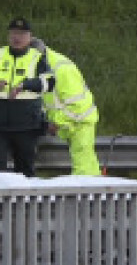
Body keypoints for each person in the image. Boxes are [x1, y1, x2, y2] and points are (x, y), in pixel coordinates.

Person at [14, 36, 100, 176]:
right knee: (86, 162)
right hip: (65, 120)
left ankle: (88, 193)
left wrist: (56, 123)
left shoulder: (62, 69)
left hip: (81, 120)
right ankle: (93, 189)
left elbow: (77, 106)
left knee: (84, 165)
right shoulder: (40, 69)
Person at [0, 18, 49, 175]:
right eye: (14, 33)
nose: (17, 37)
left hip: (26, 126)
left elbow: (49, 82)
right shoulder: (0, 54)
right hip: (1, 125)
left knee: (25, 171)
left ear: (30, 36)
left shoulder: (37, 57)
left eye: (21, 34)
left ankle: (26, 200)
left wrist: (25, 85)